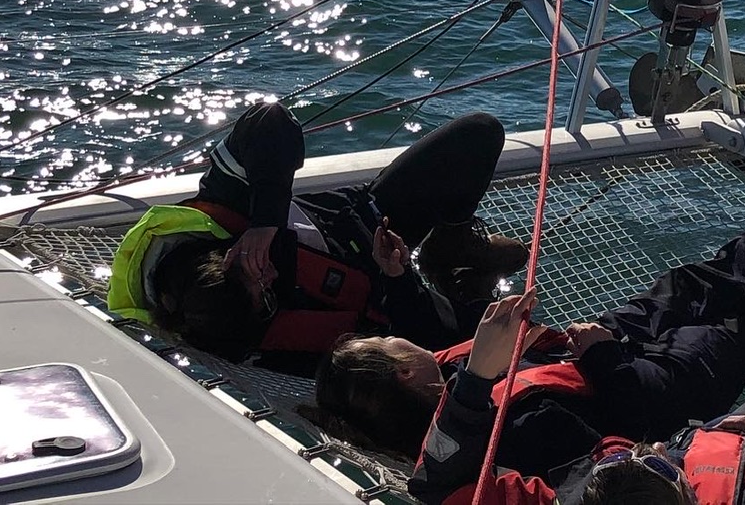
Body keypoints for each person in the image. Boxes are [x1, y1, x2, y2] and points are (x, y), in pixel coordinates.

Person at [308, 165, 745, 486]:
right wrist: (604, 356)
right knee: (734, 328)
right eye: (388, 340)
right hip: (653, 388)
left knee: (682, 286)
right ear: (403, 370)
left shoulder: (437, 398)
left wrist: (397, 275)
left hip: (592, 352)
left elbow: (421, 327)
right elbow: (626, 437)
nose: (398, 335)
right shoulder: (517, 432)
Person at [420, 230, 745, 505]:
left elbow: (436, 487)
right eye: (656, 459)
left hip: (736, 441)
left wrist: (474, 380)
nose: (651, 445)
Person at [107, 104, 529, 372]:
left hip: (369, 214)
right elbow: (411, 346)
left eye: (254, 269)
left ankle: (449, 245)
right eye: (267, 295)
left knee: (479, 132)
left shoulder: (223, 209)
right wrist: (398, 276)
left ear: (226, 253)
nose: (270, 273)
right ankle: (451, 280)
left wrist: (263, 224)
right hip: (384, 283)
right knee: (495, 337)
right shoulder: (257, 337)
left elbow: (268, 120)